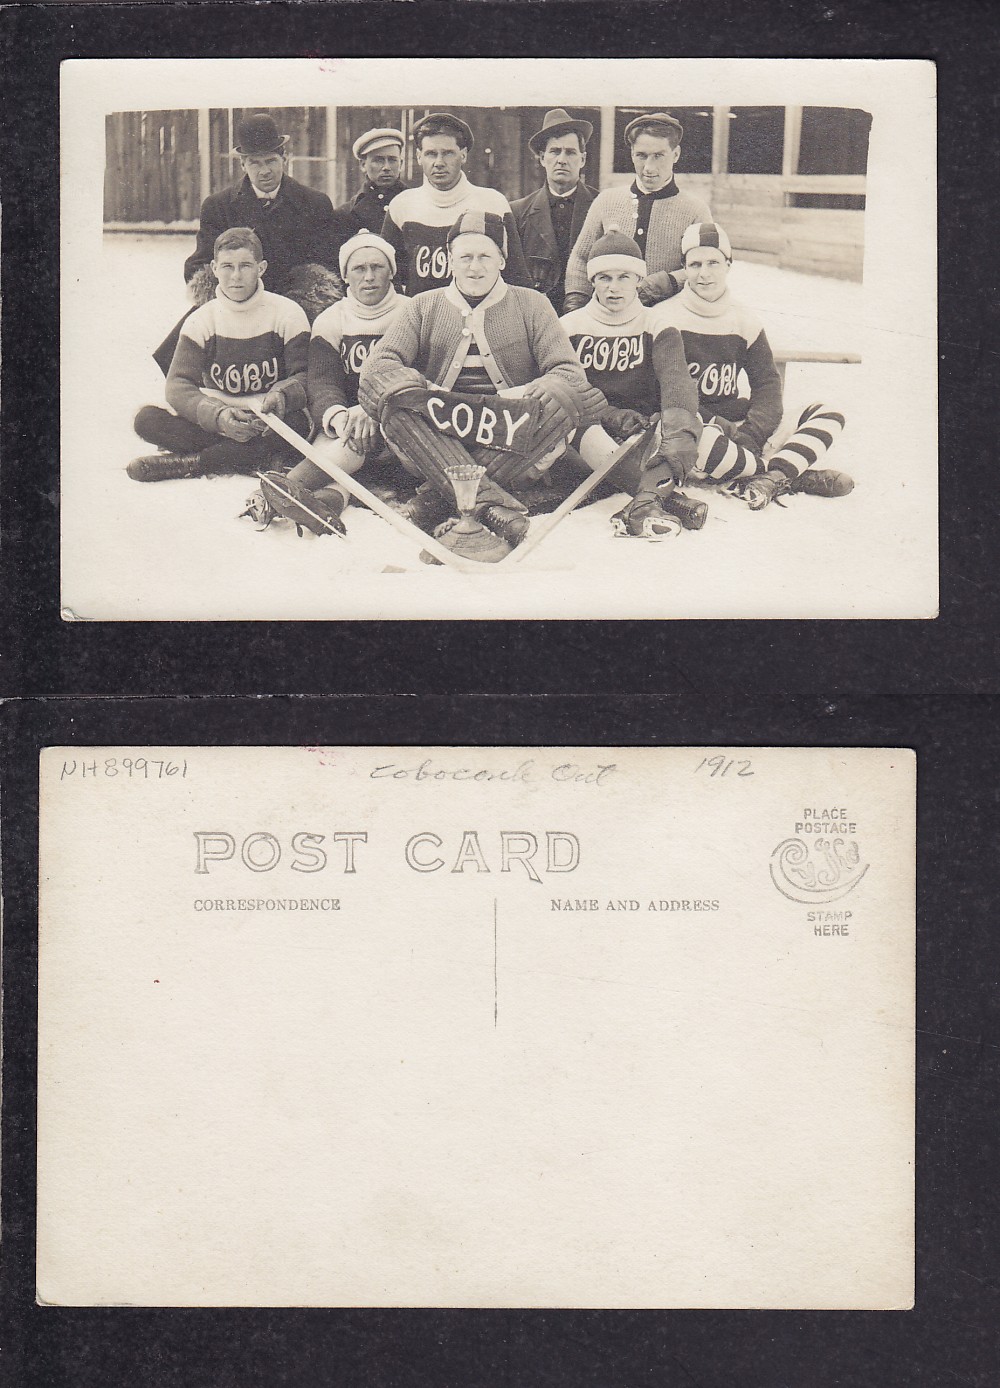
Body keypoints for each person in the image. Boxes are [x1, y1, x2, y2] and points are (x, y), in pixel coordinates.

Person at [358, 209, 607, 560]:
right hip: (439, 430)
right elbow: (377, 368)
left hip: (511, 432)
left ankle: (437, 499)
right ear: (449, 260)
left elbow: (567, 371)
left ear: (502, 259)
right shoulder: (423, 306)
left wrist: (518, 397)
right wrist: (420, 387)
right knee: (395, 403)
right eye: (465, 257)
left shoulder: (531, 303)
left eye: (485, 256)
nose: (475, 267)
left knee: (563, 400)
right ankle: (490, 506)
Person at [647, 221, 853, 508]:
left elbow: (767, 384)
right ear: (685, 269)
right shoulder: (663, 317)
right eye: (694, 264)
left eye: (713, 263)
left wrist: (751, 435)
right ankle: (787, 474)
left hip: (738, 426)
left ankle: (765, 475)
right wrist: (726, 432)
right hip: (695, 428)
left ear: (728, 265)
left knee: (826, 413)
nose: (704, 273)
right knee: (703, 444)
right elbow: (659, 390)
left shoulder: (744, 319)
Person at [240, 231, 410, 536]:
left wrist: (375, 414)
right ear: (345, 276)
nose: (369, 277)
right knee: (344, 447)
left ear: (392, 272)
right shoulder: (332, 319)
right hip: (342, 425)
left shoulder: (411, 313)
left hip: (395, 422)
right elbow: (322, 381)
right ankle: (322, 505)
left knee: (346, 450)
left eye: (377, 267)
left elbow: (417, 375)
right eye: (359, 269)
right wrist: (339, 417)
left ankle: (273, 493)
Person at [153, 113, 346, 374]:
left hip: (294, 310)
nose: (264, 171)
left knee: (312, 370)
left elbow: (328, 265)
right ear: (243, 165)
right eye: (255, 163)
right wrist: (233, 296)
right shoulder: (218, 207)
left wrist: (290, 308)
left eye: (271, 161)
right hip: (235, 302)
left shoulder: (314, 203)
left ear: (284, 160)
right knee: (188, 365)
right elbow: (199, 265)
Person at [128, 228, 310, 482]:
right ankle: (249, 457)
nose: (236, 276)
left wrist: (281, 396)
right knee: (146, 420)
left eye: (245, 265)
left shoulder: (287, 312)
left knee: (299, 425)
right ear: (214, 268)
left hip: (268, 419)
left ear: (262, 268)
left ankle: (192, 462)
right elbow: (178, 385)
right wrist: (219, 417)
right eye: (227, 266)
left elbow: (304, 375)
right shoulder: (202, 319)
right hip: (220, 418)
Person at [560, 228, 708, 537]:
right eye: (604, 278)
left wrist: (676, 427)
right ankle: (658, 499)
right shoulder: (568, 327)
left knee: (687, 422)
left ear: (639, 280)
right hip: (591, 434)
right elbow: (566, 388)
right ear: (591, 282)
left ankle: (643, 503)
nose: (614, 288)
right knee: (570, 424)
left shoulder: (658, 325)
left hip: (643, 435)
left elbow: (677, 385)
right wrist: (608, 414)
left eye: (624, 277)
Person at [563, 112, 711, 312]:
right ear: (632, 153)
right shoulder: (607, 200)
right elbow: (580, 258)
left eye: (659, 156)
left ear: (675, 155)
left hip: (668, 317)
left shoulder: (695, 209)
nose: (649, 167)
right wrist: (576, 305)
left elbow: (707, 267)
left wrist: (666, 282)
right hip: (609, 316)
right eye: (641, 156)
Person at [380, 112, 531, 296]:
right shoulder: (402, 205)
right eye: (431, 154)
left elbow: (517, 278)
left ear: (463, 155)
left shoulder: (492, 203)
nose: (439, 163)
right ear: (419, 157)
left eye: (448, 153)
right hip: (422, 318)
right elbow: (389, 277)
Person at [509, 108, 599, 314]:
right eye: (554, 151)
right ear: (542, 158)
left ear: (582, 160)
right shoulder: (518, 212)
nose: (562, 159)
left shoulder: (601, 205)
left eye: (570, 152)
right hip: (536, 314)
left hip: (588, 316)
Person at [337, 126, 407, 240]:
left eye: (392, 160)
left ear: (401, 164)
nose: (386, 167)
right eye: (378, 160)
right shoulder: (346, 214)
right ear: (363, 165)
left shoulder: (417, 202)